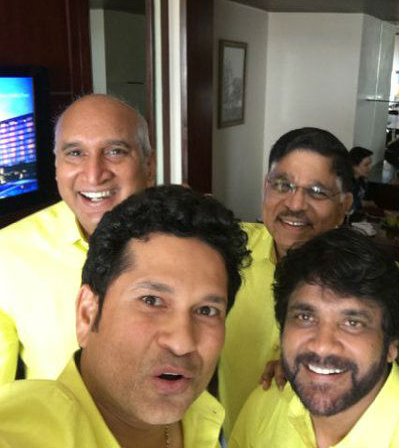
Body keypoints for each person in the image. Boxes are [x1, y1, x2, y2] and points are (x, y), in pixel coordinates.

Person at [218, 127, 399, 436]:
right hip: (235, 435)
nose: (295, 204)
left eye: (317, 192)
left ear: (344, 206)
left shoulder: (382, 279)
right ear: (265, 188)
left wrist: (322, 367)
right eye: (283, 185)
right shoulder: (229, 251)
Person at [0, 185, 250, 448]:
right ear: (87, 314)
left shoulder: (202, 415)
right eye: (151, 301)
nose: (182, 343)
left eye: (206, 310)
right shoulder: (20, 433)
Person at [229, 228, 399, 448]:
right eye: (305, 317)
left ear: (392, 345)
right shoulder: (268, 402)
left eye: (352, 323)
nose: (322, 345)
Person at [0, 94, 155, 384]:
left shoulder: (196, 245)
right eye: (75, 153)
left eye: (115, 151)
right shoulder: (7, 254)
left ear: (148, 166)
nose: (94, 174)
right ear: (56, 166)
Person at [348, 146, 374, 214]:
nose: (370, 168)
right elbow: (345, 204)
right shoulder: (345, 182)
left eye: (370, 164)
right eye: (366, 165)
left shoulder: (363, 180)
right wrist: (363, 203)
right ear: (354, 166)